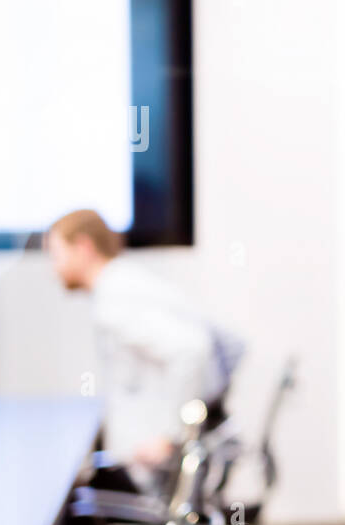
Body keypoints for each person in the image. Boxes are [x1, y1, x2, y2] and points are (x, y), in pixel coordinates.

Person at [47, 209, 243, 494]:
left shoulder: (115, 299)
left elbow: (191, 349)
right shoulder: (124, 282)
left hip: (151, 472)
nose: (54, 269)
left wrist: (170, 437)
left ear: (83, 247)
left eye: (56, 255)